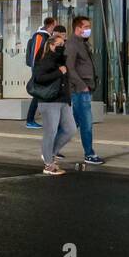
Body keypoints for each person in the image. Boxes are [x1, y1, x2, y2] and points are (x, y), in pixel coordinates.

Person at [31, 26, 76, 174]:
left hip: (64, 100)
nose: (62, 46)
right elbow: (39, 78)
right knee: (50, 132)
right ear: (51, 45)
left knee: (70, 130)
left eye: (63, 44)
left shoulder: (62, 59)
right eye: (59, 44)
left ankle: (50, 154)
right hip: (49, 101)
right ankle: (48, 164)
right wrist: (58, 72)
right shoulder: (46, 59)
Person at [66, 15, 104, 166]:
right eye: (86, 27)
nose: (89, 30)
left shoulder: (83, 43)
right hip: (80, 90)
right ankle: (89, 153)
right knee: (86, 123)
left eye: (89, 27)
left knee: (73, 123)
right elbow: (70, 68)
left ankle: (51, 148)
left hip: (84, 88)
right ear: (78, 28)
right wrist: (82, 85)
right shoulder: (72, 44)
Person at [23, 16, 56, 129]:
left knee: (42, 94)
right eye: (55, 25)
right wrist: (38, 71)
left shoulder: (46, 36)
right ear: (51, 25)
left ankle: (34, 120)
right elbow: (35, 57)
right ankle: (30, 120)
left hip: (44, 70)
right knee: (39, 95)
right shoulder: (40, 36)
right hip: (40, 71)